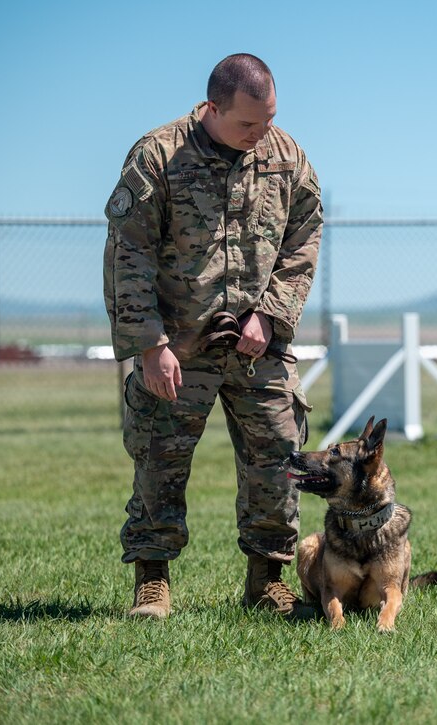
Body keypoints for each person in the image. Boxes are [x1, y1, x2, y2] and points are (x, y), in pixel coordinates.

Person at [102, 53, 322, 620]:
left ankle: (267, 581)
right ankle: (152, 582)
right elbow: (130, 255)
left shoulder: (287, 157)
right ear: (212, 108)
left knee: (279, 454)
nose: (261, 134)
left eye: (269, 119)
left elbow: (303, 241)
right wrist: (150, 344)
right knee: (159, 458)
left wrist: (270, 314)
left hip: (257, 345)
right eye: (249, 123)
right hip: (177, 345)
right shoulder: (158, 156)